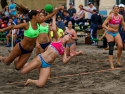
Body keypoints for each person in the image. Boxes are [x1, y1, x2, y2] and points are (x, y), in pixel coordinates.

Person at [21, 15, 83, 88]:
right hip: (41, 59)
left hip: (47, 65)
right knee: (23, 71)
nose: (69, 37)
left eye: (70, 37)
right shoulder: (58, 39)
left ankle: (30, 80)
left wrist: (71, 56)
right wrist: (54, 18)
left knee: (41, 84)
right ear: (64, 36)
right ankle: (24, 63)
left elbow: (64, 61)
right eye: (68, 35)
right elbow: (54, 29)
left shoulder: (63, 49)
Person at [0, 3, 64, 70]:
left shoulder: (39, 23)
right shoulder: (27, 25)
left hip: (28, 51)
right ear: (34, 16)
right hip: (20, 47)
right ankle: (1, 58)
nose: (39, 17)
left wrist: (58, 9)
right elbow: (13, 26)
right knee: (7, 62)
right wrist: (3, 29)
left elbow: (49, 15)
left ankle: (16, 58)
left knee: (18, 67)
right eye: (38, 15)